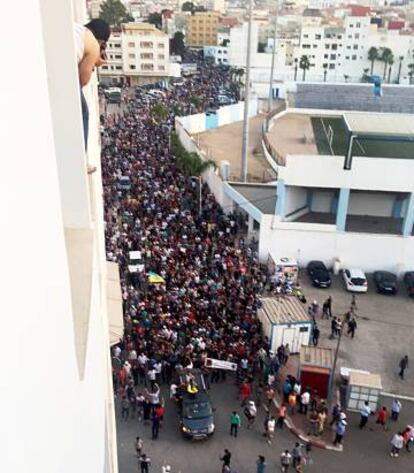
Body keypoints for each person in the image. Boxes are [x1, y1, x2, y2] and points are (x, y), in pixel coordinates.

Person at [75, 19, 110, 151]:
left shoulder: (78, 30)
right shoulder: (94, 45)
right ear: (101, 41)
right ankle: (81, 155)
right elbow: (81, 81)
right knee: (83, 111)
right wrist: (94, 61)